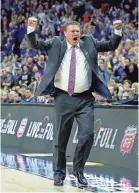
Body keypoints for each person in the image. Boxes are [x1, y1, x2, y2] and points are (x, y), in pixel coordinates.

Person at [27, 17, 123, 186]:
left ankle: (79, 170)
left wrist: (117, 31)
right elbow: (36, 45)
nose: (76, 33)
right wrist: (31, 30)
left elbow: (111, 45)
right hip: (63, 97)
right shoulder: (56, 43)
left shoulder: (89, 42)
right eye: (73, 31)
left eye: (78, 31)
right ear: (65, 34)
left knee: (87, 136)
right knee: (60, 140)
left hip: (85, 98)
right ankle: (58, 173)